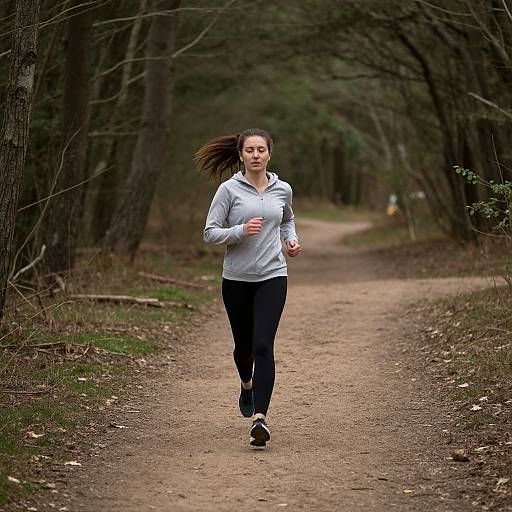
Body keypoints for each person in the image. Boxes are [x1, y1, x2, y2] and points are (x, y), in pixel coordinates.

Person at [196, 128, 300, 447]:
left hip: (273, 275)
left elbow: (286, 219)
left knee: (263, 345)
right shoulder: (228, 191)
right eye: (250, 150)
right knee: (243, 348)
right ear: (241, 155)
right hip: (237, 279)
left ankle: (260, 418)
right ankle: (246, 384)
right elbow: (210, 233)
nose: (256, 155)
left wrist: (290, 239)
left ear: (270, 154)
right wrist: (239, 230)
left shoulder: (282, 189)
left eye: (261, 150)